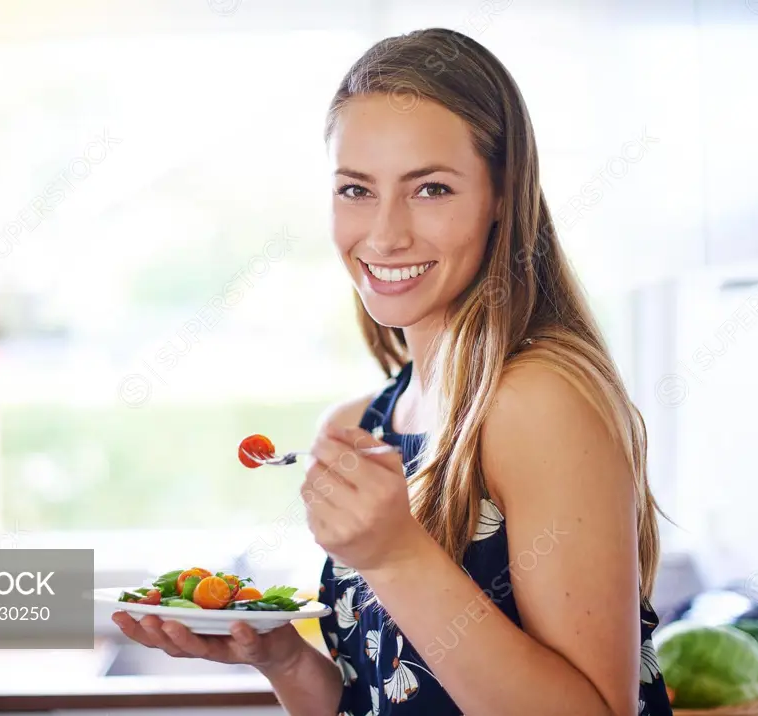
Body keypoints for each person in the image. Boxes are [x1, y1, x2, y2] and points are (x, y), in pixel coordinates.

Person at [113, 27, 673, 716]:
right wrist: (283, 659)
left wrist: (396, 556)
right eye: (355, 189)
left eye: (430, 188)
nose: (383, 234)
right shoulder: (360, 424)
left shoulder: (537, 399)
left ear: (502, 194)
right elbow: (376, 700)